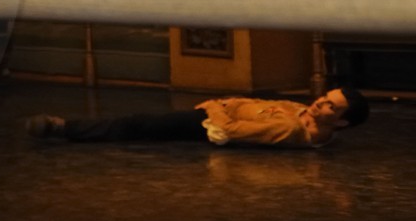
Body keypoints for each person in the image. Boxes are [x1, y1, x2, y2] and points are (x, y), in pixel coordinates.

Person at [25, 87, 369, 148]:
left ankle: (65, 128)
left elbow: (230, 129)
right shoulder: (300, 112)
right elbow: (252, 102)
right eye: (325, 97)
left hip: (207, 124)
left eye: (329, 107)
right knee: (140, 125)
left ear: (339, 123)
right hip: (216, 111)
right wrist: (228, 101)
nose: (319, 103)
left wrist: (214, 105)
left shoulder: (291, 128)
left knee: (138, 124)